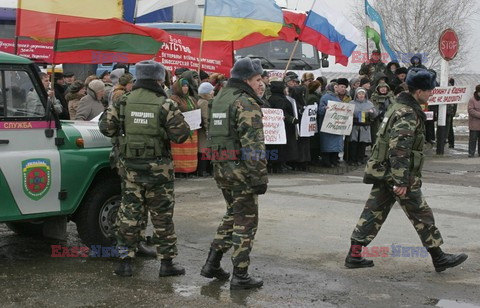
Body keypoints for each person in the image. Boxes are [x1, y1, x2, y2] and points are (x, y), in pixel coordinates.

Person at [345, 68, 468, 272]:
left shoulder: (398, 106)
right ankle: (439, 257)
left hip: (385, 171)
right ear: (418, 91)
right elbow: (399, 149)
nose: (431, 94)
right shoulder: (408, 113)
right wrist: (401, 181)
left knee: (373, 212)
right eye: (429, 90)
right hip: (397, 174)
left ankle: (354, 255)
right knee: (421, 214)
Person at [99, 60, 190, 277]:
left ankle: (124, 262)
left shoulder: (123, 101)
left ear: (138, 79)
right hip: (159, 172)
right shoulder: (165, 104)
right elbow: (182, 135)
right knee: (162, 217)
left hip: (130, 170)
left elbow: (105, 127)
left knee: (129, 214)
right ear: (159, 80)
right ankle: (167, 264)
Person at [200, 57, 268, 290]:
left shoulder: (220, 98)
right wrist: (259, 177)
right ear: (246, 79)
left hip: (222, 168)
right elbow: (253, 145)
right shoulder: (245, 102)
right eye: (258, 79)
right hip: (241, 172)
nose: (262, 84)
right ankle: (240, 274)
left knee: (232, 215)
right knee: (245, 222)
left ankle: (212, 263)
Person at [267, 78, 299, 173]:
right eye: (284, 88)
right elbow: (282, 112)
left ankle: (277, 164)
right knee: (282, 147)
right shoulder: (280, 100)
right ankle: (278, 165)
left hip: (276, 128)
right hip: (283, 127)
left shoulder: (273, 98)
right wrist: (292, 119)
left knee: (276, 147)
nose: (286, 90)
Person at [170, 78, 199, 177]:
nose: (185, 88)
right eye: (183, 86)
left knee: (190, 152)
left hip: (192, 128)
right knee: (180, 151)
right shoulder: (174, 99)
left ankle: (190, 171)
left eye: (186, 86)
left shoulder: (191, 99)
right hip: (180, 129)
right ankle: (180, 171)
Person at [348, 88, 378, 166]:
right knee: (353, 143)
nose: (361, 95)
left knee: (362, 144)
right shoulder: (351, 103)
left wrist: (372, 112)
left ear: (365, 95)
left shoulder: (369, 104)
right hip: (354, 125)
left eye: (363, 94)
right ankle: (352, 159)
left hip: (365, 126)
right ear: (356, 95)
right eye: (359, 94)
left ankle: (360, 159)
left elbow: (375, 115)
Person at [318, 81, 345, 167]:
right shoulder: (325, 97)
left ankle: (334, 160)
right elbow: (320, 110)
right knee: (327, 144)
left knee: (335, 144)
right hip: (327, 126)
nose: (338, 89)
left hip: (335, 125)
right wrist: (325, 109)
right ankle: (326, 161)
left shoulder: (336, 98)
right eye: (336, 87)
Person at [197, 82, 214, 177]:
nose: (213, 92)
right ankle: (203, 171)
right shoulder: (204, 102)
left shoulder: (203, 101)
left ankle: (204, 170)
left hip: (203, 131)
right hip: (204, 132)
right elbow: (205, 117)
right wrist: (209, 129)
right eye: (211, 90)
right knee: (204, 150)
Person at [467, 85, 480, 157]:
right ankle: (471, 152)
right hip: (474, 124)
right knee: (473, 139)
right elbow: (470, 110)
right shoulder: (472, 100)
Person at [445, 78, 457, 148]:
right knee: (449, 128)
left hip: (448, 112)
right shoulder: (454, 91)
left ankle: (449, 142)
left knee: (448, 128)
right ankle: (451, 142)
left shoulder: (451, 91)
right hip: (450, 112)